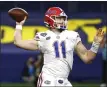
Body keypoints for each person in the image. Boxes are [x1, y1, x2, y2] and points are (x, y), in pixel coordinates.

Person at [14, 7, 105, 87]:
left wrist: (96, 44)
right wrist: (19, 25)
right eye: (59, 18)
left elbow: (88, 58)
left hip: (64, 81)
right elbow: (18, 42)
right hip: (47, 79)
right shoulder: (44, 36)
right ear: (50, 19)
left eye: (63, 18)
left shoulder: (72, 35)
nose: (62, 21)